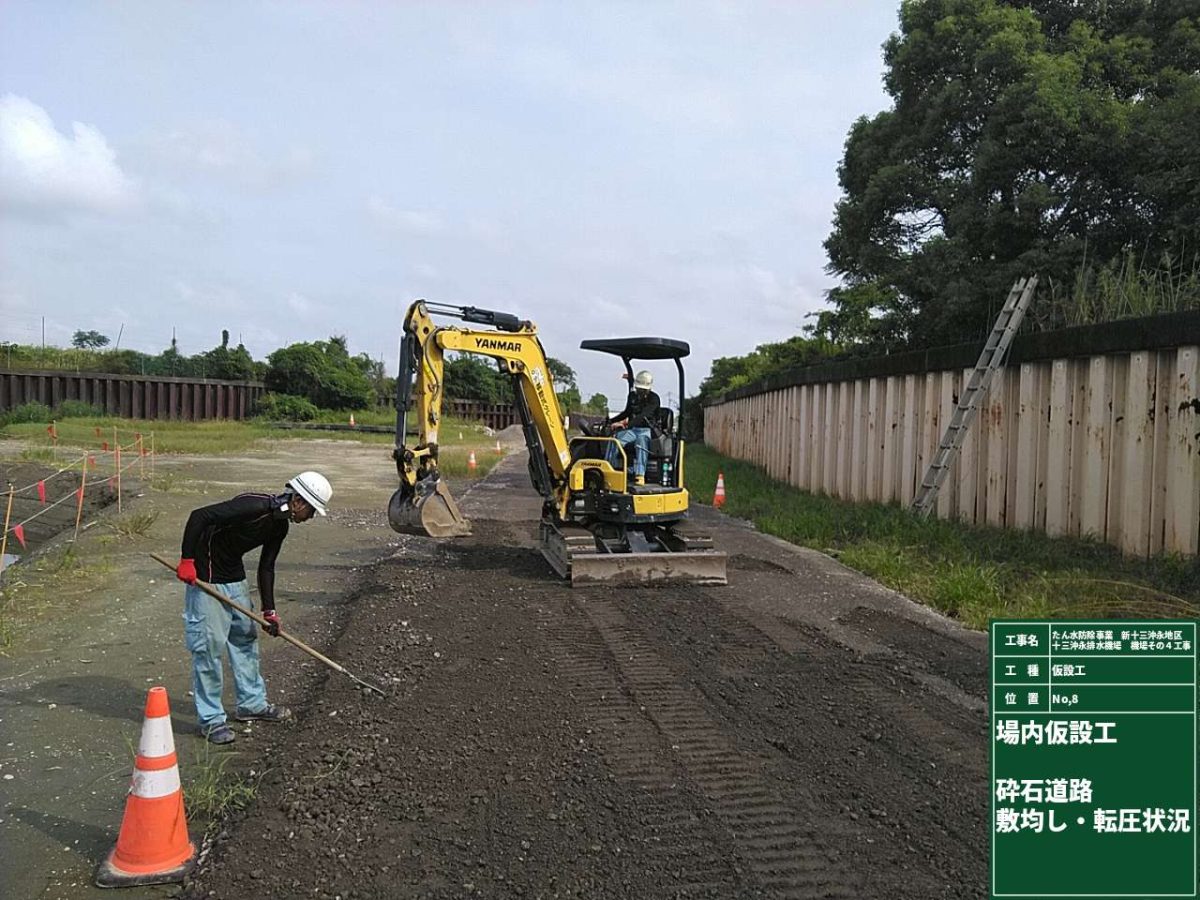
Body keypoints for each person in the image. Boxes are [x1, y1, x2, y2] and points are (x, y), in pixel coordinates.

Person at [174, 471, 332, 744]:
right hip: (206, 575)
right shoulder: (254, 507)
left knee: (245, 639)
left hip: (234, 576)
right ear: (298, 501)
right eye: (312, 511)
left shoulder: (279, 526)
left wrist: (268, 610)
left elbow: (266, 566)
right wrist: (187, 559)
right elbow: (199, 516)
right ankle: (211, 720)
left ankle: (251, 704)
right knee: (208, 648)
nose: (311, 518)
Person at [605, 370, 661, 485]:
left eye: (643, 390)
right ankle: (610, 468)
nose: (640, 392)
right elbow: (627, 412)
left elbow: (642, 416)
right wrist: (611, 421)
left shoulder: (654, 399)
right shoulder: (632, 396)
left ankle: (640, 475)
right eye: (639, 389)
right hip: (633, 430)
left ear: (648, 389)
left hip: (646, 431)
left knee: (641, 442)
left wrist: (625, 425)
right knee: (615, 440)